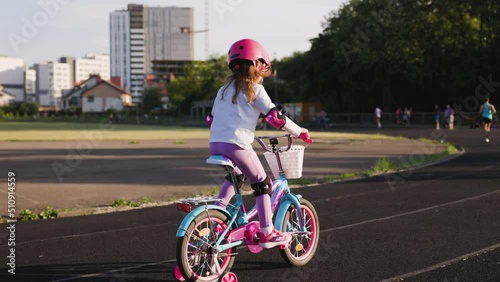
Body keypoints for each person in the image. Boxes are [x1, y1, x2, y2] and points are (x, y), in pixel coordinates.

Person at [206, 39, 313, 248]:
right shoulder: (256, 90)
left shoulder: (223, 90)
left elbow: (210, 119)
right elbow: (276, 119)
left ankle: (216, 219)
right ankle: (267, 232)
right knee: (262, 183)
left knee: (236, 176)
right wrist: (300, 131)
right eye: (262, 65)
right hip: (236, 144)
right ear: (256, 64)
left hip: (215, 144)